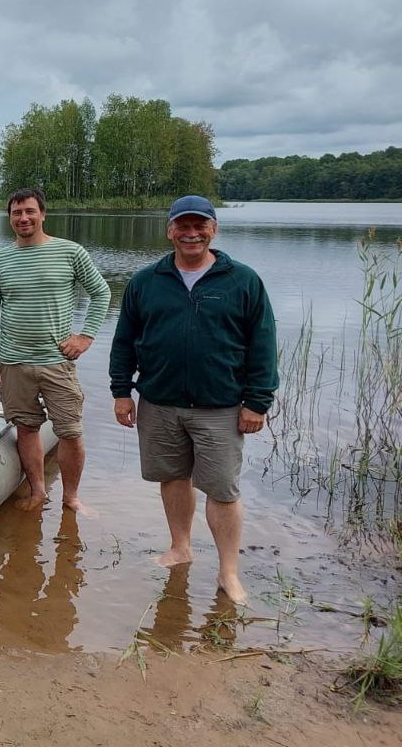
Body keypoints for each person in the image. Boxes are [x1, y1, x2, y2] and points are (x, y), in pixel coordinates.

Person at [109, 195, 278, 604]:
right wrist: (121, 392)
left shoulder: (243, 280)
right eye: (182, 225)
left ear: (213, 229)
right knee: (172, 477)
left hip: (220, 407)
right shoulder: (146, 281)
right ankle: (180, 548)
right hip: (159, 402)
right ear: (169, 230)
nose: (191, 232)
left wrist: (258, 401)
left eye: (199, 225)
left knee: (222, 490)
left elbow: (263, 345)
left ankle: (228, 572)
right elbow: (124, 341)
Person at [0, 188, 110, 512]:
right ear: (10, 218)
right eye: (17, 213)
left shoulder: (70, 252)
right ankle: (37, 491)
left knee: (70, 433)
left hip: (57, 362)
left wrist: (85, 337)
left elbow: (101, 293)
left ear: (43, 214)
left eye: (30, 211)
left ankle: (71, 497)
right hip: (14, 363)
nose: (23, 218)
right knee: (26, 427)